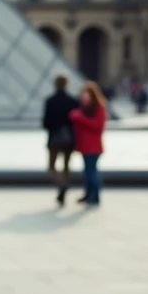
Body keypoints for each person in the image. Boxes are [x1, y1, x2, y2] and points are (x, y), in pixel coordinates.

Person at [42, 75, 79, 206]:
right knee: (67, 166)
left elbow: (45, 123)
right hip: (69, 138)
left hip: (54, 138)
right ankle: (65, 184)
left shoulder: (50, 101)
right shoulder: (73, 101)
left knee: (51, 167)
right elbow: (77, 121)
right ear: (67, 84)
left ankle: (61, 184)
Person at [69, 81, 108, 207]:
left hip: (93, 146)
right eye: (83, 94)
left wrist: (80, 118)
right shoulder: (82, 109)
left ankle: (95, 197)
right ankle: (89, 194)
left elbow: (98, 126)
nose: (84, 97)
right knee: (87, 172)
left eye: (86, 95)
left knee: (91, 172)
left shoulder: (99, 109)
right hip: (84, 145)